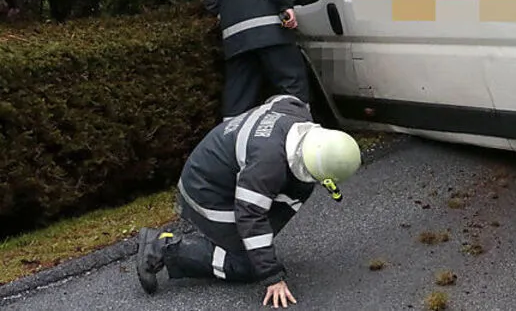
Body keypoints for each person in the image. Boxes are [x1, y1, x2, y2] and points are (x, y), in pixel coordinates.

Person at [134, 94, 362, 308]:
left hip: (218, 174)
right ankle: (164, 247)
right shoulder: (266, 167)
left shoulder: (297, 115)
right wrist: (271, 275)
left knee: (292, 194)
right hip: (204, 191)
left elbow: (281, 99)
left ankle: (236, 241)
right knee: (246, 265)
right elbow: (250, 216)